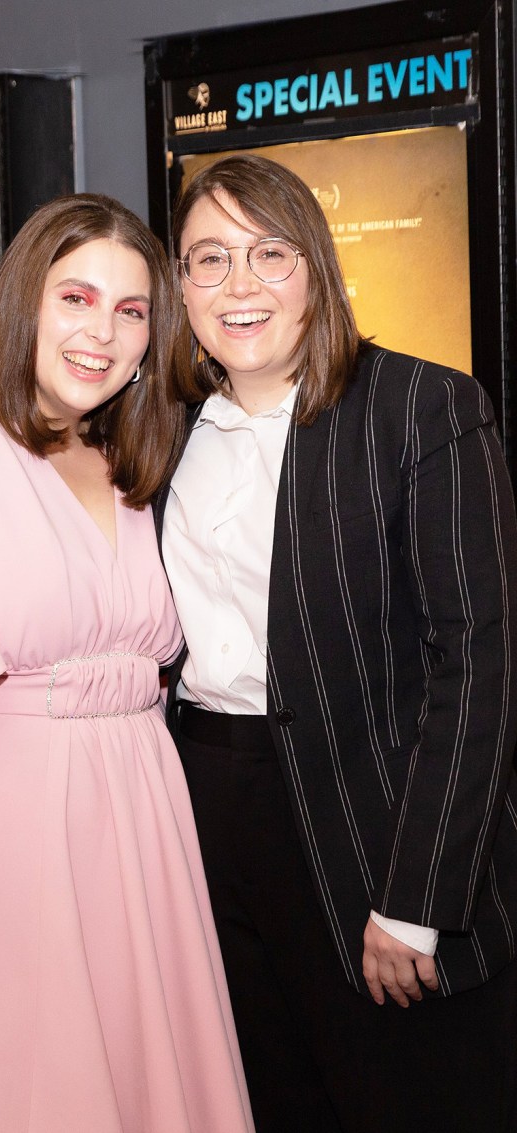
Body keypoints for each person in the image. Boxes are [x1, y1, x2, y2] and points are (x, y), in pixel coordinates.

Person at [0, 193, 254, 1133]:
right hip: (0, 857)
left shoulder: (126, 458)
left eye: (131, 310)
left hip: (137, 841)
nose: (100, 332)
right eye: (76, 297)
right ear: (25, 300)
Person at [154, 152, 517, 1133]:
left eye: (267, 253)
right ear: (177, 284)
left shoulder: (419, 409)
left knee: (404, 1098)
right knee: (265, 1097)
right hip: (205, 817)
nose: (238, 285)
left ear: (313, 265)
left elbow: (476, 660)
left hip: (374, 824)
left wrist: (416, 897)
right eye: (208, 259)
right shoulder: (158, 430)